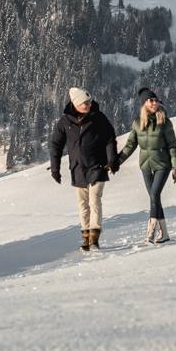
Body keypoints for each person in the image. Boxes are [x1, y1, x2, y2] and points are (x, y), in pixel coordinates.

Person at [49, 87, 118, 252]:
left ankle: (94, 239)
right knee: (83, 205)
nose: (88, 104)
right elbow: (55, 145)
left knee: (95, 201)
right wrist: (55, 168)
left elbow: (110, 138)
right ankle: (86, 238)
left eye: (88, 101)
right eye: (84, 103)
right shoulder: (65, 122)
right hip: (78, 169)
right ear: (75, 103)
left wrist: (112, 160)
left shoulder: (98, 117)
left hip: (98, 166)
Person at [118, 85, 176, 244]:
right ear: (144, 103)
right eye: (151, 100)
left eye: (156, 100)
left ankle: (151, 230)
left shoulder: (165, 122)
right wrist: (115, 162)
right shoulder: (137, 123)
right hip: (146, 165)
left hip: (162, 164)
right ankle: (165, 233)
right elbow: (130, 145)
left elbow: (173, 146)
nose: (155, 103)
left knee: (154, 195)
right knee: (155, 198)